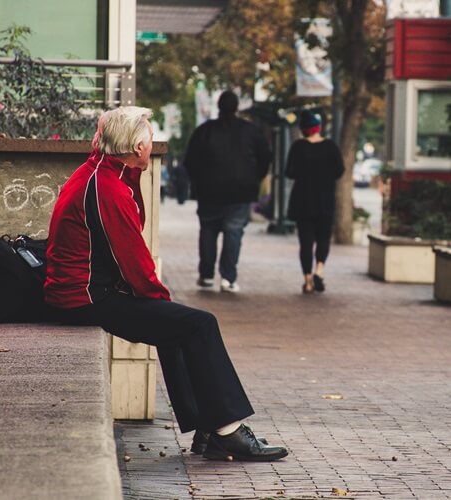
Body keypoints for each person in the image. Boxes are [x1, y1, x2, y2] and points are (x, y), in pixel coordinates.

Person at [44, 107, 288, 462]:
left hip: (88, 290)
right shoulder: (107, 187)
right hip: (85, 297)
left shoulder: (105, 174)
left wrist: (164, 307)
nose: (153, 143)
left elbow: (130, 236)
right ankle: (228, 432)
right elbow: (133, 261)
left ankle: (210, 431)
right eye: (149, 138)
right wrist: (162, 301)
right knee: (198, 323)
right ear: (137, 146)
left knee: (178, 325)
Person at [184, 90, 272, 293]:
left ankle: (206, 275)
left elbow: (190, 161)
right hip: (240, 192)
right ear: (236, 107)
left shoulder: (204, 131)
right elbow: (265, 158)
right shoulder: (251, 132)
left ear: (219, 107)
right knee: (233, 233)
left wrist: (200, 181)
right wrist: (253, 179)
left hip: (209, 192)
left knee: (208, 231)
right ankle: (228, 277)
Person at [285, 110, 345, 294]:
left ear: (303, 130)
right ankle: (320, 269)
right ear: (318, 128)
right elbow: (339, 171)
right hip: (325, 201)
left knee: (306, 243)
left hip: (303, 202)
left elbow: (289, 172)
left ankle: (308, 281)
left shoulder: (298, 147)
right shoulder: (331, 147)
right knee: (323, 238)